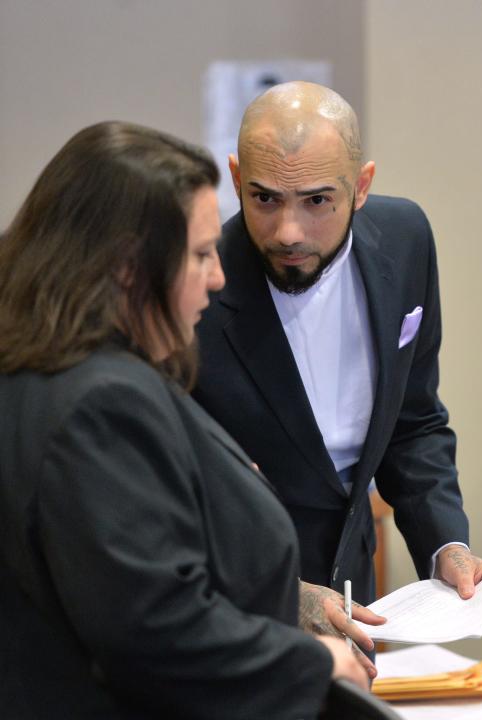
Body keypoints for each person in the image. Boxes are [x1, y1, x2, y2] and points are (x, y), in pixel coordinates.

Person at [0, 121, 368, 718]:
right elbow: (153, 629)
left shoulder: (38, 369)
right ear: (126, 266)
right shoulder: (102, 401)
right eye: (200, 256)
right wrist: (316, 662)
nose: (218, 277)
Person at [193, 82, 482, 613]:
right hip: (238, 603)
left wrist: (446, 543)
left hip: (356, 589)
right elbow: (177, 489)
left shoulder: (406, 240)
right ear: (237, 180)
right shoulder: (196, 287)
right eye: (265, 198)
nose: (289, 231)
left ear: (360, 186)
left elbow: (414, 421)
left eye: (317, 201)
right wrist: (281, 597)